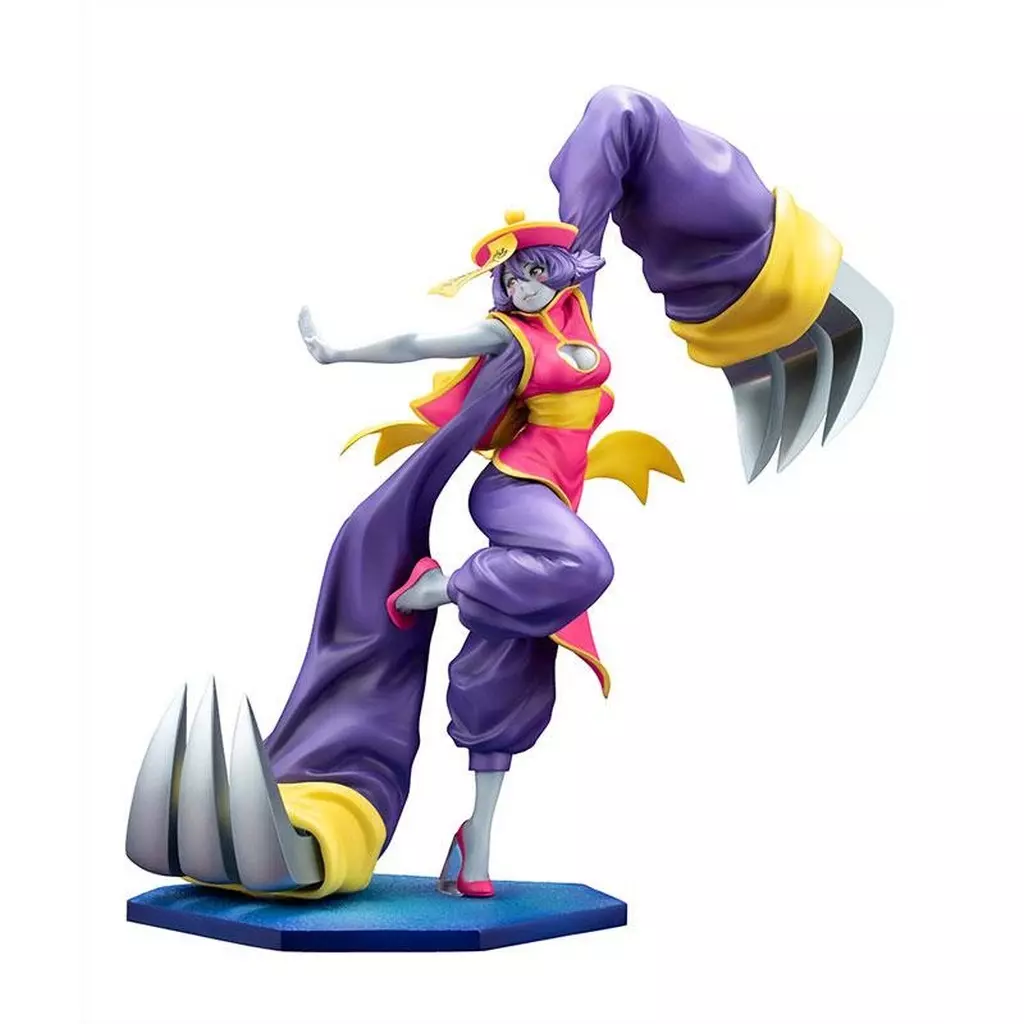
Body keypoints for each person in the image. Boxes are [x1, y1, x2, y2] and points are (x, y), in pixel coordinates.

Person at [126, 86, 892, 901]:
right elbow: (420, 338)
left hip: (555, 508)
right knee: (586, 568)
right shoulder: (512, 336)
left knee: (511, 674)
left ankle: (472, 849)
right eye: (511, 275)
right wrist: (340, 350)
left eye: (535, 272)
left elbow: (622, 119)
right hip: (517, 493)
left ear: (559, 272)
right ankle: (428, 608)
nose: (523, 285)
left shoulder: (575, 313)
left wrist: (766, 284)